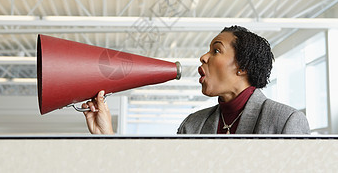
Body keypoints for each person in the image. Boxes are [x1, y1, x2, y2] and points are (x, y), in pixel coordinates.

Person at [82, 25, 310, 135]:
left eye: (216, 50)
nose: (203, 57)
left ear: (243, 66)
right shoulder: (192, 125)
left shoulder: (286, 121)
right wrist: (106, 134)